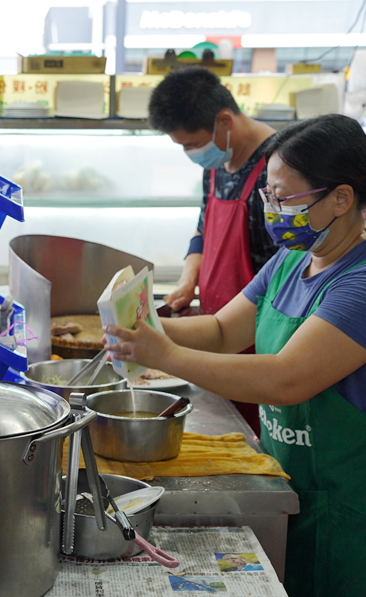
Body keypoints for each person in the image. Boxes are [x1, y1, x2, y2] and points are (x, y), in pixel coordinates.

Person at [104, 114, 366, 597]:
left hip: (363, 509)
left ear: (341, 198)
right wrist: (141, 324)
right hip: (300, 487)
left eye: (283, 196)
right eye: (267, 194)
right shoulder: (292, 259)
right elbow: (225, 331)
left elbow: (286, 379)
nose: (270, 208)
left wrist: (161, 355)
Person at [148, 67, 280, 432]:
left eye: (191, 144)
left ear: (224, 120)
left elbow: (289, 273)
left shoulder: (280, 170)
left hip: (261, 340)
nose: (190, 153)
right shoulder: (219, 161)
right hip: (214, 327)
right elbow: (204, 226)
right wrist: (189, 279)